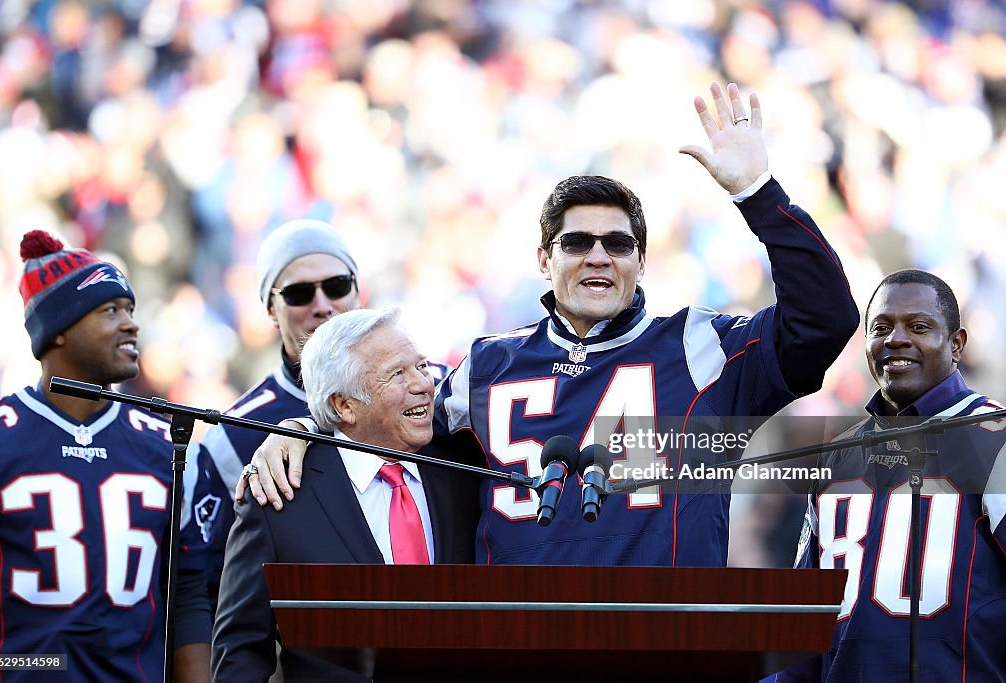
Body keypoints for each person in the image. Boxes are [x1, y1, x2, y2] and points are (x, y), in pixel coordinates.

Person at [240, 81, 859, 567]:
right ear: (544, 259)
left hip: (665, 647)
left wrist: (757, 191)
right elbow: (378, 429)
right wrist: (301, 425)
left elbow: (826, 320)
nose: (597, 255)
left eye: (618, 243)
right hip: (518, 649)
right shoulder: (486, 365)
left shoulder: (700, 345)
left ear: (640, 262)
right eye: (577, 242)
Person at [0, 231, 210, 682]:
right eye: (110, 310)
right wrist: (33, 667)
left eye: (130, 309)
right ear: (59, 331)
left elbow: (186, 593)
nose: (131, 324)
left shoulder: (166, 445)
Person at [211, 309, 479, 682]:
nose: (423, 384)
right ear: (343, 406)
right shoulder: (279, 494)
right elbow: (240, 651)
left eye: (421, 366)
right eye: (397, 374)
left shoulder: (463, 468)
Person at [779, 270, 1006, 681]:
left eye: (918, 326)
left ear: (957, 344)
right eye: (881, 327)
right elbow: (802, 622)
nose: (896, 339)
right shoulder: (835, 455)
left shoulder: (997, 439)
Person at [182, 219, 362, 605]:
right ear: (270, 308)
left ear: (358, 291)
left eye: (337, 286)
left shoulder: (427, 389)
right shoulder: (230, 435)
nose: (322, 306)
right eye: (298, 294)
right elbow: (200, 584)